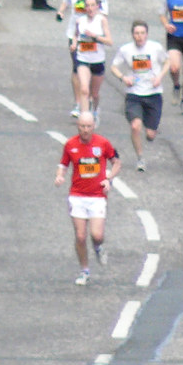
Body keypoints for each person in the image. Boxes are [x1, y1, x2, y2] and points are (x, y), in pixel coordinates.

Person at [55, 112, 121, 286]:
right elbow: (63, 164)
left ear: (94, 126)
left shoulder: (103, 143)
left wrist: (109, 179)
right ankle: (84, 270)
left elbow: (117, 162)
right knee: (80, 236)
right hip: (77, 195)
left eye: (88, 126)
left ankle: (98, 247)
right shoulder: (70, 144)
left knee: (97, 235)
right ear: (78, 126)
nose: (85, 130)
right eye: (82, 126)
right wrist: (60, 176)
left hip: (97, 196)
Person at [110, 20, 169, 173]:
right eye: (137, 33)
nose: (140, 36)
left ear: (147, 34)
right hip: (134, 94)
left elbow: (167, 61)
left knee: (150, 134)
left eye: (142, 33)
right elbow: (113, 66)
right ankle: (140, 158)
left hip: (153, 94)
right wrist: (124, 78)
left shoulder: (155, 47)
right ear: (132, 35)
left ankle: (150, 131)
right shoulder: (126, 50)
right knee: (135, 126)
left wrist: (160, 77)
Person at [57, 0, 108, 117]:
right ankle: (78, 103)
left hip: (93, 36)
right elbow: (65, 2)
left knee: (91, 71)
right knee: (77, 68)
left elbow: (104, 13)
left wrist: (90, 11)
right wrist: (61, 11)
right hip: (75, 35)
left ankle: (91, 99)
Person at [71, 0, 111, 123]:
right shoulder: (80, 21)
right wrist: (74, 44)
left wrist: (95, 37)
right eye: (87, 6)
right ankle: (84, 118)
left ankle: (95, 109)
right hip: (83, 58)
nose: (90, 8)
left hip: (97, 60)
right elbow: (76, 35)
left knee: (94, 94)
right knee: (84, 89)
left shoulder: (102, 20)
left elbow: (109, 41)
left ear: (97, 6)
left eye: (92, 5)